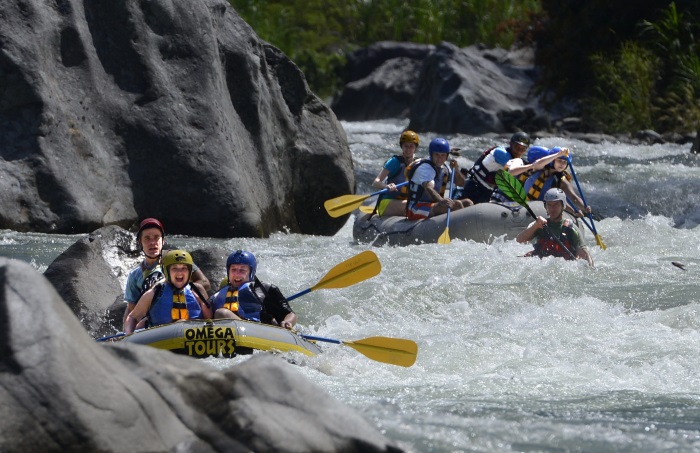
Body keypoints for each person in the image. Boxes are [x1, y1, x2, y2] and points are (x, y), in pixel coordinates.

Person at [121, 218, 211, 331]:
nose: (152, 242)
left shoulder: (179, 260)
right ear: (140, 242)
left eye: (156, 237)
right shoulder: (135, 274)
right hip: (154, 320)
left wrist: (177, 289)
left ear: (163, 241)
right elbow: (131, 310)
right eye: (147, 238)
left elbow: (205, 283)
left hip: (185, 314)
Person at [459, 132, 567, 205]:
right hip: (475, 186)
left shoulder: (518, 159)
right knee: (468, 204)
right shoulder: (501, 153)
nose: (519, 151)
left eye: (523, 149)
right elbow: (514, 168)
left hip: (488, 191)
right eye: (517, 147)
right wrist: (536, 165)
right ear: (510, 144)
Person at [124, 250, 213, 334]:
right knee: (180, 322)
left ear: (190, 272)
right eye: (174, 268)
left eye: (184, 268)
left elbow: (210, 319)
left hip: (193, 338)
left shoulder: (197, 290)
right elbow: (132, 317)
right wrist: (128, 335)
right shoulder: (155, 292)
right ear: (166, 271)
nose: (180, 273)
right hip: (161, 339)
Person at [210, 250, 297, 329]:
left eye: (242, 271)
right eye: (233, 269)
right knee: (221, 313)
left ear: (251, 273)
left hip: (258, 332)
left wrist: (287, 322)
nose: (237, 274)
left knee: (222, 314)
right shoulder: (217, 295)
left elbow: (290, 314)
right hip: (228, 334)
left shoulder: (265, 290)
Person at [516, 188, 594, 266]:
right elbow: (519, 240)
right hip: (541, 266)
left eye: (556, 205)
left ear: (563, 205)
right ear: (545, 206)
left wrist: (590, 267)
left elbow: (584, 254)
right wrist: (535, 226)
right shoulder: (540, 225)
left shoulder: (571, 228)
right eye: (549, 205)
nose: (552, 209)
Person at [405, 137, 470, 220]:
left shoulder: (445, 167)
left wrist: (456, 170)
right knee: (457, 205)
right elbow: (428, 188)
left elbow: (461, 183)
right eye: (437, 155)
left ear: (447, 156)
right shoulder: (425, 168)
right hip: (415, 208)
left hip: (433, 205)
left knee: (468, 202)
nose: (440, 158)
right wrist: (441, 200)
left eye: (443, 155)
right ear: (431, 154)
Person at [523, 146, 592, 218]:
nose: (562, 164)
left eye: (564, 162)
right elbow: (539, 163)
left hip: (542, 209)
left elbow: (573, 197)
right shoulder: (539, 168)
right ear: (553, 161)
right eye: (559, 160)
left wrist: (584, 207)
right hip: (526, 204)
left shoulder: (562, 181)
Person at [370, 130, 420, 217]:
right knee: (411, 206)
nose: (408, 149)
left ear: (415, 147)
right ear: (402, 146)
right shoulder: (394, 162)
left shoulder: (419, 163)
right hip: (388, 202)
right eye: (406, 146)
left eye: (411, 146)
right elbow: (376, 182)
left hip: (406, 200)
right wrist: (386, 186)